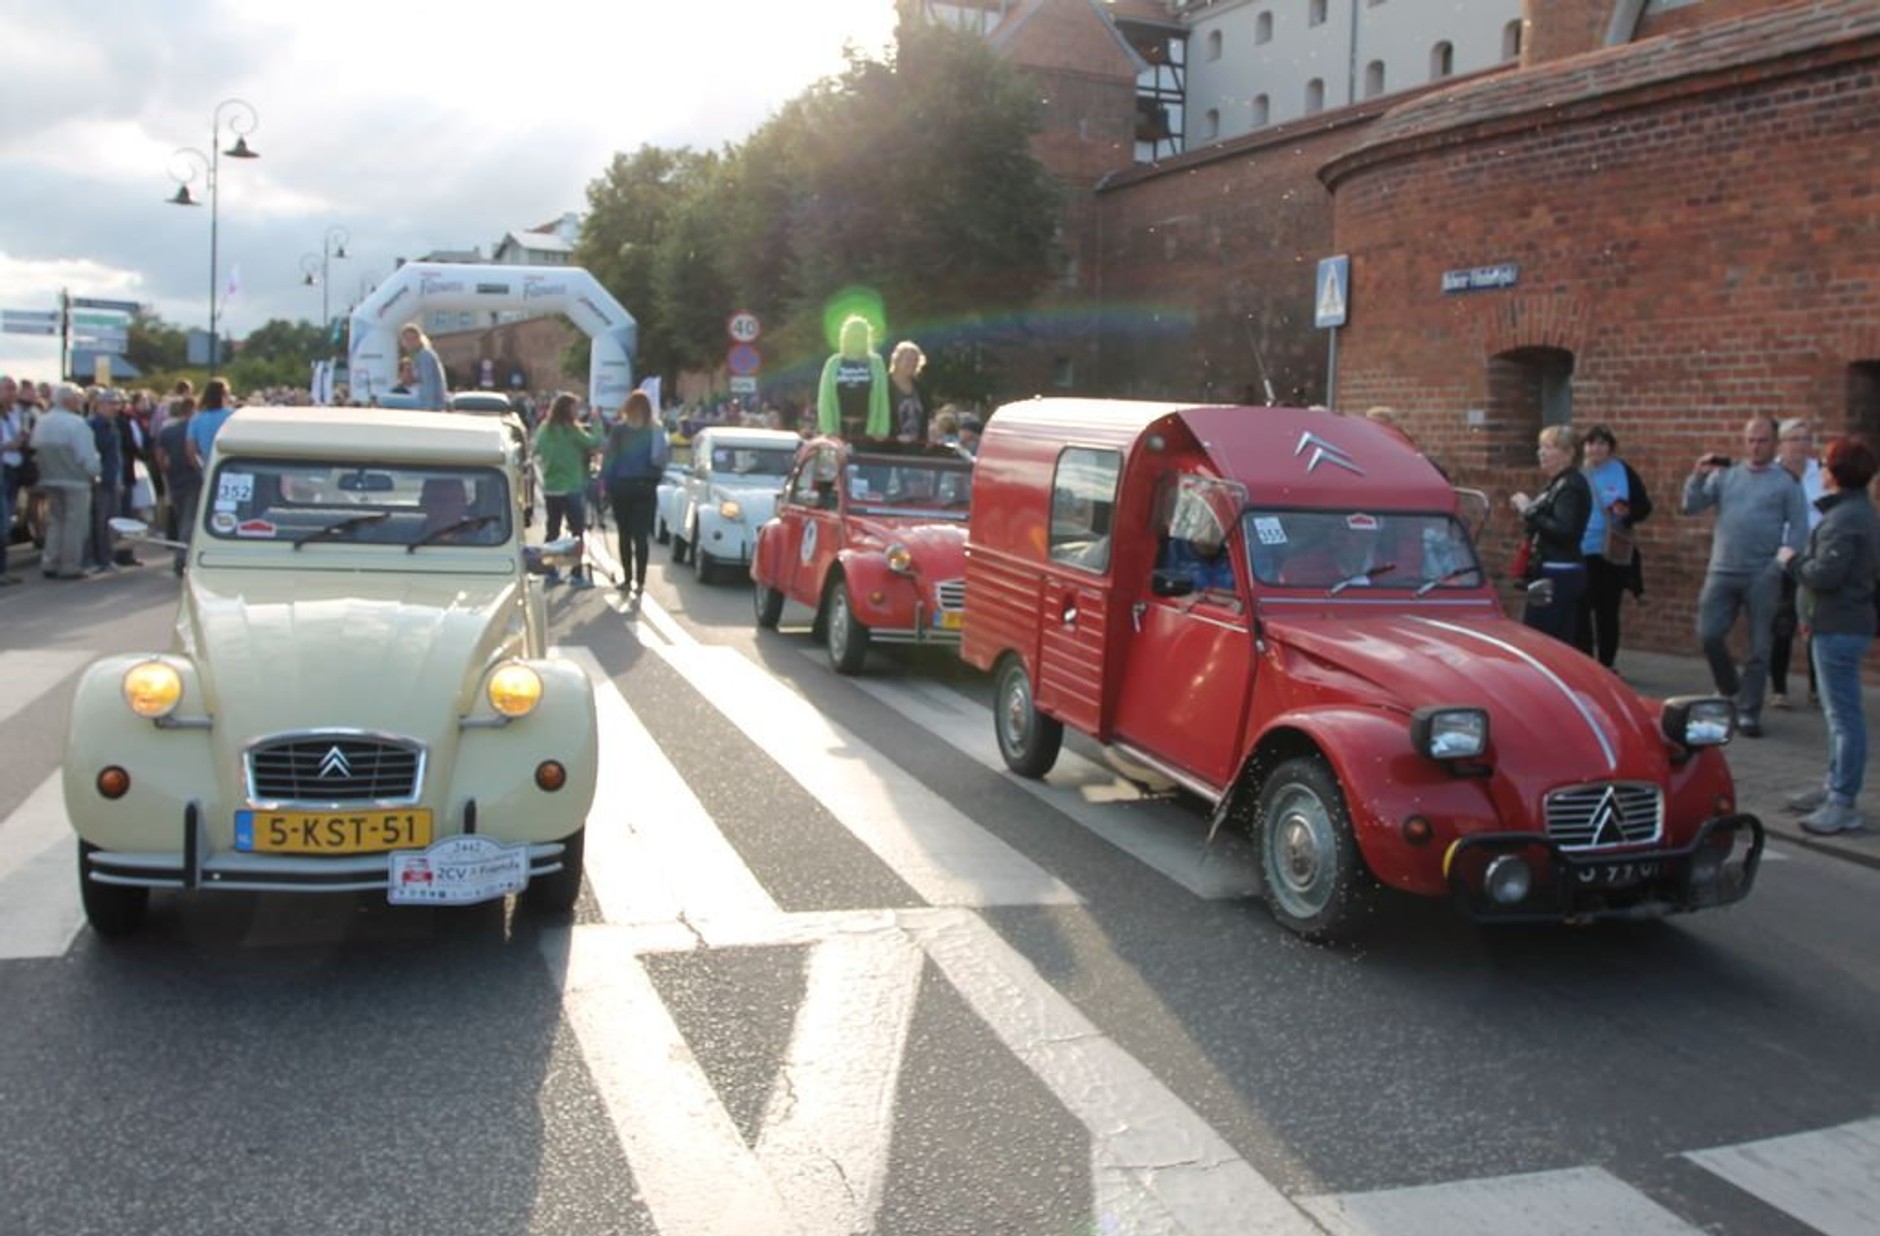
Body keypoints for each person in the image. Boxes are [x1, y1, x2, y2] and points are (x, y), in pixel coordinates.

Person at [1681, 416, 1810, 737]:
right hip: (1722, 569)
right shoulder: (1728, 476)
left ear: (1775, 443)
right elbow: (1691, 506)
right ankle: (1728, 687)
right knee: (1708, 633)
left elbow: (1799, 530)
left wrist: (1778, 566)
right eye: (1750, 440)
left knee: (1759, 646)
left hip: (1761, 575)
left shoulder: (1785, 482)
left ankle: (1749, 711)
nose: (1755, 446)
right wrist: (1696, 477)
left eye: (1762, 440)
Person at [1776, 436, 1879, 835]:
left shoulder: (1847, 519)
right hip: (1835, 623)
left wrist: (1792, 561)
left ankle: (1843, 801)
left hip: (1840, 626)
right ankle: (1833, 785)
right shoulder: (1853, 514)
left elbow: (1825, 575)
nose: (1819, 471)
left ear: (1835, 474)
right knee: (1838, 716)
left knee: (1844, 717)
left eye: (1825, 465)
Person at [1574, 424, 1654, 668]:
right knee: (1580, 611)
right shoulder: (1576, 473)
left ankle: (1607, 663)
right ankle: (1587, 663)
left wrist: (1626, 515)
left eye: (1601, 444)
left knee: (1607, 611)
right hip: (1580, 550)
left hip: (1610, 550)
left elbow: (1644, 506)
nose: (1594, 449)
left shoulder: (1623, 472)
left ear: (1610, 448)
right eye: (1590, 443)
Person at [1510, 425, 1591, 644]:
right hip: (1552, 567)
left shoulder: (1570, 485)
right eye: (1540, 447)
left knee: (1540, 636)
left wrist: (1528, 510)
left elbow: (1565, 530)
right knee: (1556, 636)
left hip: (1559, 570)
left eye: (1549, 447)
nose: (1541, 453)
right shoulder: (1558, 483)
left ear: (1569, 453)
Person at [1768, 417, 1824, 709]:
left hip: (1814, 559)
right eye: (1794, 439)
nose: (1801, 446)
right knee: (1782, 624)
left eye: (1806, 439)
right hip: (1781, 559)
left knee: (1816, 624)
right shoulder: (1771, 475)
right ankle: (1779, 688)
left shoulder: (1822, 474)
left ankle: (1817, 687)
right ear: (1782, 444)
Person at [533, 392, 605, 589]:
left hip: (551, 488)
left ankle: (550, 571)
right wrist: (597, 422)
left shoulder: (544, 429)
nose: (577, 412)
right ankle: (576, 573)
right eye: (575, 408)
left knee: (552, 530)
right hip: (571, 487)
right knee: (576, 532)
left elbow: (536, 449)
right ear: (568, 410)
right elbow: (594, 442)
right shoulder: (571, 431)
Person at [600, 390, 669, 597]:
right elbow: (663, 459)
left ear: (628, 408)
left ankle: (628, 579)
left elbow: (610, 459)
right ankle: (640, 582)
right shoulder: (655, 430)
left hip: (622, 487)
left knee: (625, 534)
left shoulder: (619, 431)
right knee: (640, 536)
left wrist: (604, 486)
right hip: (645, 487)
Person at [28, 384, 100, 580]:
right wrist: (95, 473)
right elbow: (86, 455)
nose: (80, 401)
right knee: (75, 523)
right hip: (75, 480)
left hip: (49, 478)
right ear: (69, 400)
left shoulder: (42, 421)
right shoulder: (76, 424)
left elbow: (34, 446)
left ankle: (49, 561)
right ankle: (70, 565)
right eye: (78, 397)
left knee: (55, 521)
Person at [816, 315, 889, 439]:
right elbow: (824, 398)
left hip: (868, 432)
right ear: (845, 337)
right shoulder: (833, 363)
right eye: (852, 333)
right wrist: (829, 431)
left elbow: (882, 398)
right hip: (838, 431)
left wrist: (882, 429)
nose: (857, 337)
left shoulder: (876, 362)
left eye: (861, 333)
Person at [154, 396, 200, 575]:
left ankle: (182, 554)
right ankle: (181, 559)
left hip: (175, 477)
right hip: (192, 476)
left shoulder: (168, 431)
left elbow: (159, 455)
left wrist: (166, 470)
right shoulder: (193, 429)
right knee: (189, 519)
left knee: (182, 517)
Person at [0, 374, 33, 584]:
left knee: (7, 520)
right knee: (2, 520)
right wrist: (8, 445)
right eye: (8, 389)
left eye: (14, 389)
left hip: (13, 470)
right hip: (3, 467)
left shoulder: (14, 413)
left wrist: (22, 439)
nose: (13, 393)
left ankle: (3, 569)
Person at [185, 378, 235, 471]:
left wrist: (203, 469)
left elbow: (190, 452)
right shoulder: (233, 417)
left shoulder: (196, 419)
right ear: (224, 395)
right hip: (232, 467)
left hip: (209, 470)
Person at [887, 340, 928, 443]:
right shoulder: (884, 385)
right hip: (889, 445)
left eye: (915, 360)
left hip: (916, 446)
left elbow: (925, 417)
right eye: (908, 359)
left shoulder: (921, 388)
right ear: (897, 360)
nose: (912, 363)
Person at [400, 323, 447, 410]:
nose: (410, 342)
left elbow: (428, 382)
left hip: (431, 404)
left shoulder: (425, 355)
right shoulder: (417, 356)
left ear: (419, 339)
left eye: (413, 339)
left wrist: (427, 408)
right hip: (425, 400)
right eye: (407, 339)